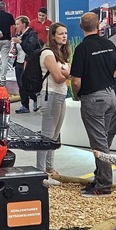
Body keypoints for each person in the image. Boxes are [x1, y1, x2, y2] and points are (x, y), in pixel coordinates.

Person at [70, 13, 116, 197]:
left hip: (94, 99)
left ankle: (104, 185)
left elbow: (76, 81)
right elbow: (114, 72)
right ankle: (100, 177)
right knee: (103, 140)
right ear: (98, 25)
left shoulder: (82, 48)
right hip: (111, 97)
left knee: (99, 145)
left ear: (81, 26)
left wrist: (77, 96)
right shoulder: (109, 44)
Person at [37, 23, 72, 186]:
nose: (64, 36)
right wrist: (69, 74)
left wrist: (66, 74)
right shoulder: (48, 53)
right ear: (52, 36)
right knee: (47, 135)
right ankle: (41, 172)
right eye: (60, 34)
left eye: (65, 33)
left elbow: (62, 76)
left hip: (60, 95)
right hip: (50, 95)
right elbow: (58, 78)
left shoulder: (62, 54)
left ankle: (49, 168)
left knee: (55, 135)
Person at [14, 16, 42, 113]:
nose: (16, 26)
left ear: (24, 24)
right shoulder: (18, 34)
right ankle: (24, 105)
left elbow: (30, 47)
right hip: (18, 62)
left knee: (27, 84)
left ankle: (35, 98)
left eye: (18, 24)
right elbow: (19, 49)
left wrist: (20, 42)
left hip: (29, 62)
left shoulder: (32, 34)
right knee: (20, 85)